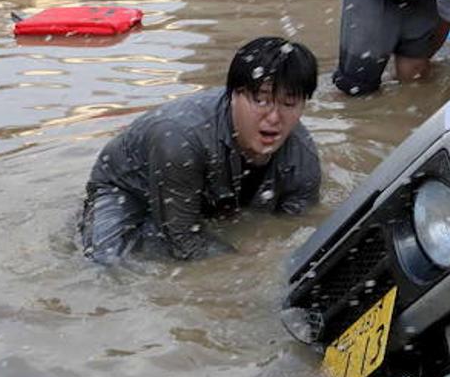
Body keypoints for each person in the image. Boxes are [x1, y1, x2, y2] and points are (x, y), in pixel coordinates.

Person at [80, 37, 321, 263]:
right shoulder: (179, 137)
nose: (274, 117)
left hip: (211, 194)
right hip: (130, 189)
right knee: (105, 261)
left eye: (289, 103)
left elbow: (296, 225)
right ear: (233, 95)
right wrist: (244, 264)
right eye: (261, 100)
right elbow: (183, 241)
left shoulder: (302, 155)